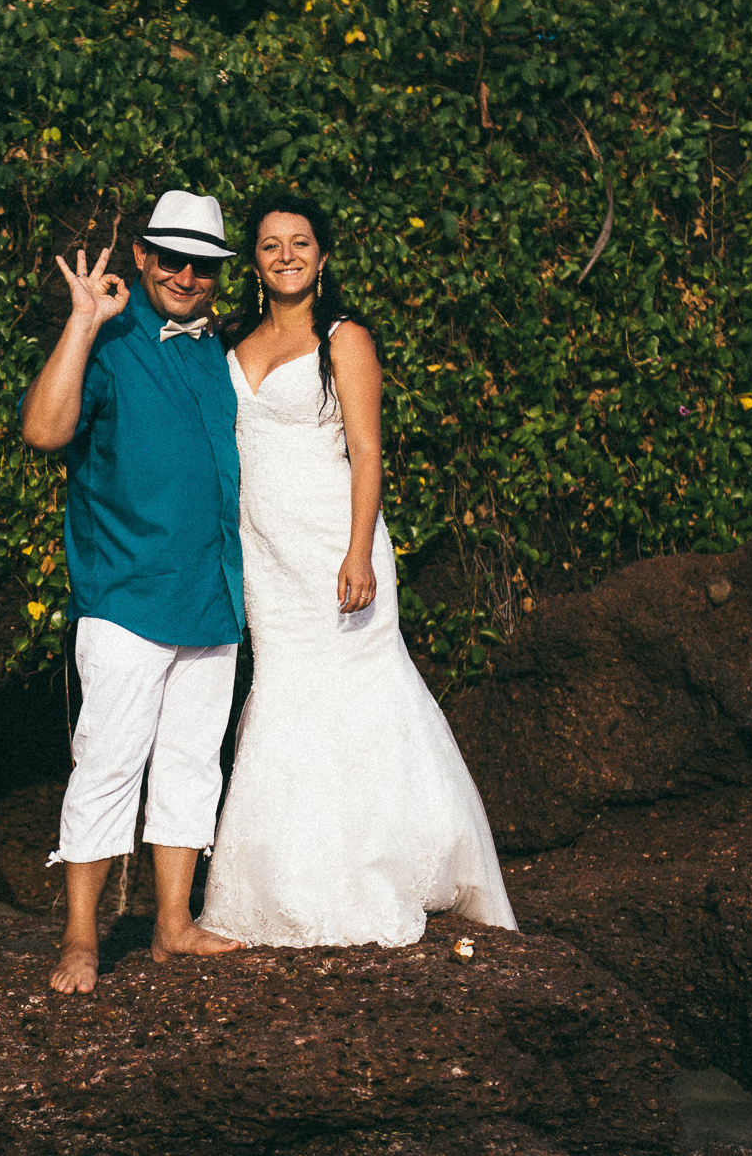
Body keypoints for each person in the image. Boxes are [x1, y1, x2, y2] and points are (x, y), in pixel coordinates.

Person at [197, 192, 517, 948]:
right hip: (268, 553)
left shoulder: (345, 338)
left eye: (299, 242)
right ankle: (288, 878)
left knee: (360, 693)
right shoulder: (230, 340)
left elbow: (369, 451)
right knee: (284, 694)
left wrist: (357, 549)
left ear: (323, 255)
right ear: (253, 262)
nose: (285, 256)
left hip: (336, 543)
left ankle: (379, 866)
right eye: (270, 245)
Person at [19, 190, 248, 993]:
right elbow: (45, 431)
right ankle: (80, 939)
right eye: (173, 257)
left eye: (205, 263)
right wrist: (82, 320)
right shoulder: (108, 342)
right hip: (123, 595)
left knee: (191, 764)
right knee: (108, 763)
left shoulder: (219, 350)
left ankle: (172, 926)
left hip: (213, 597)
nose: (188, 274)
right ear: (144, 258)